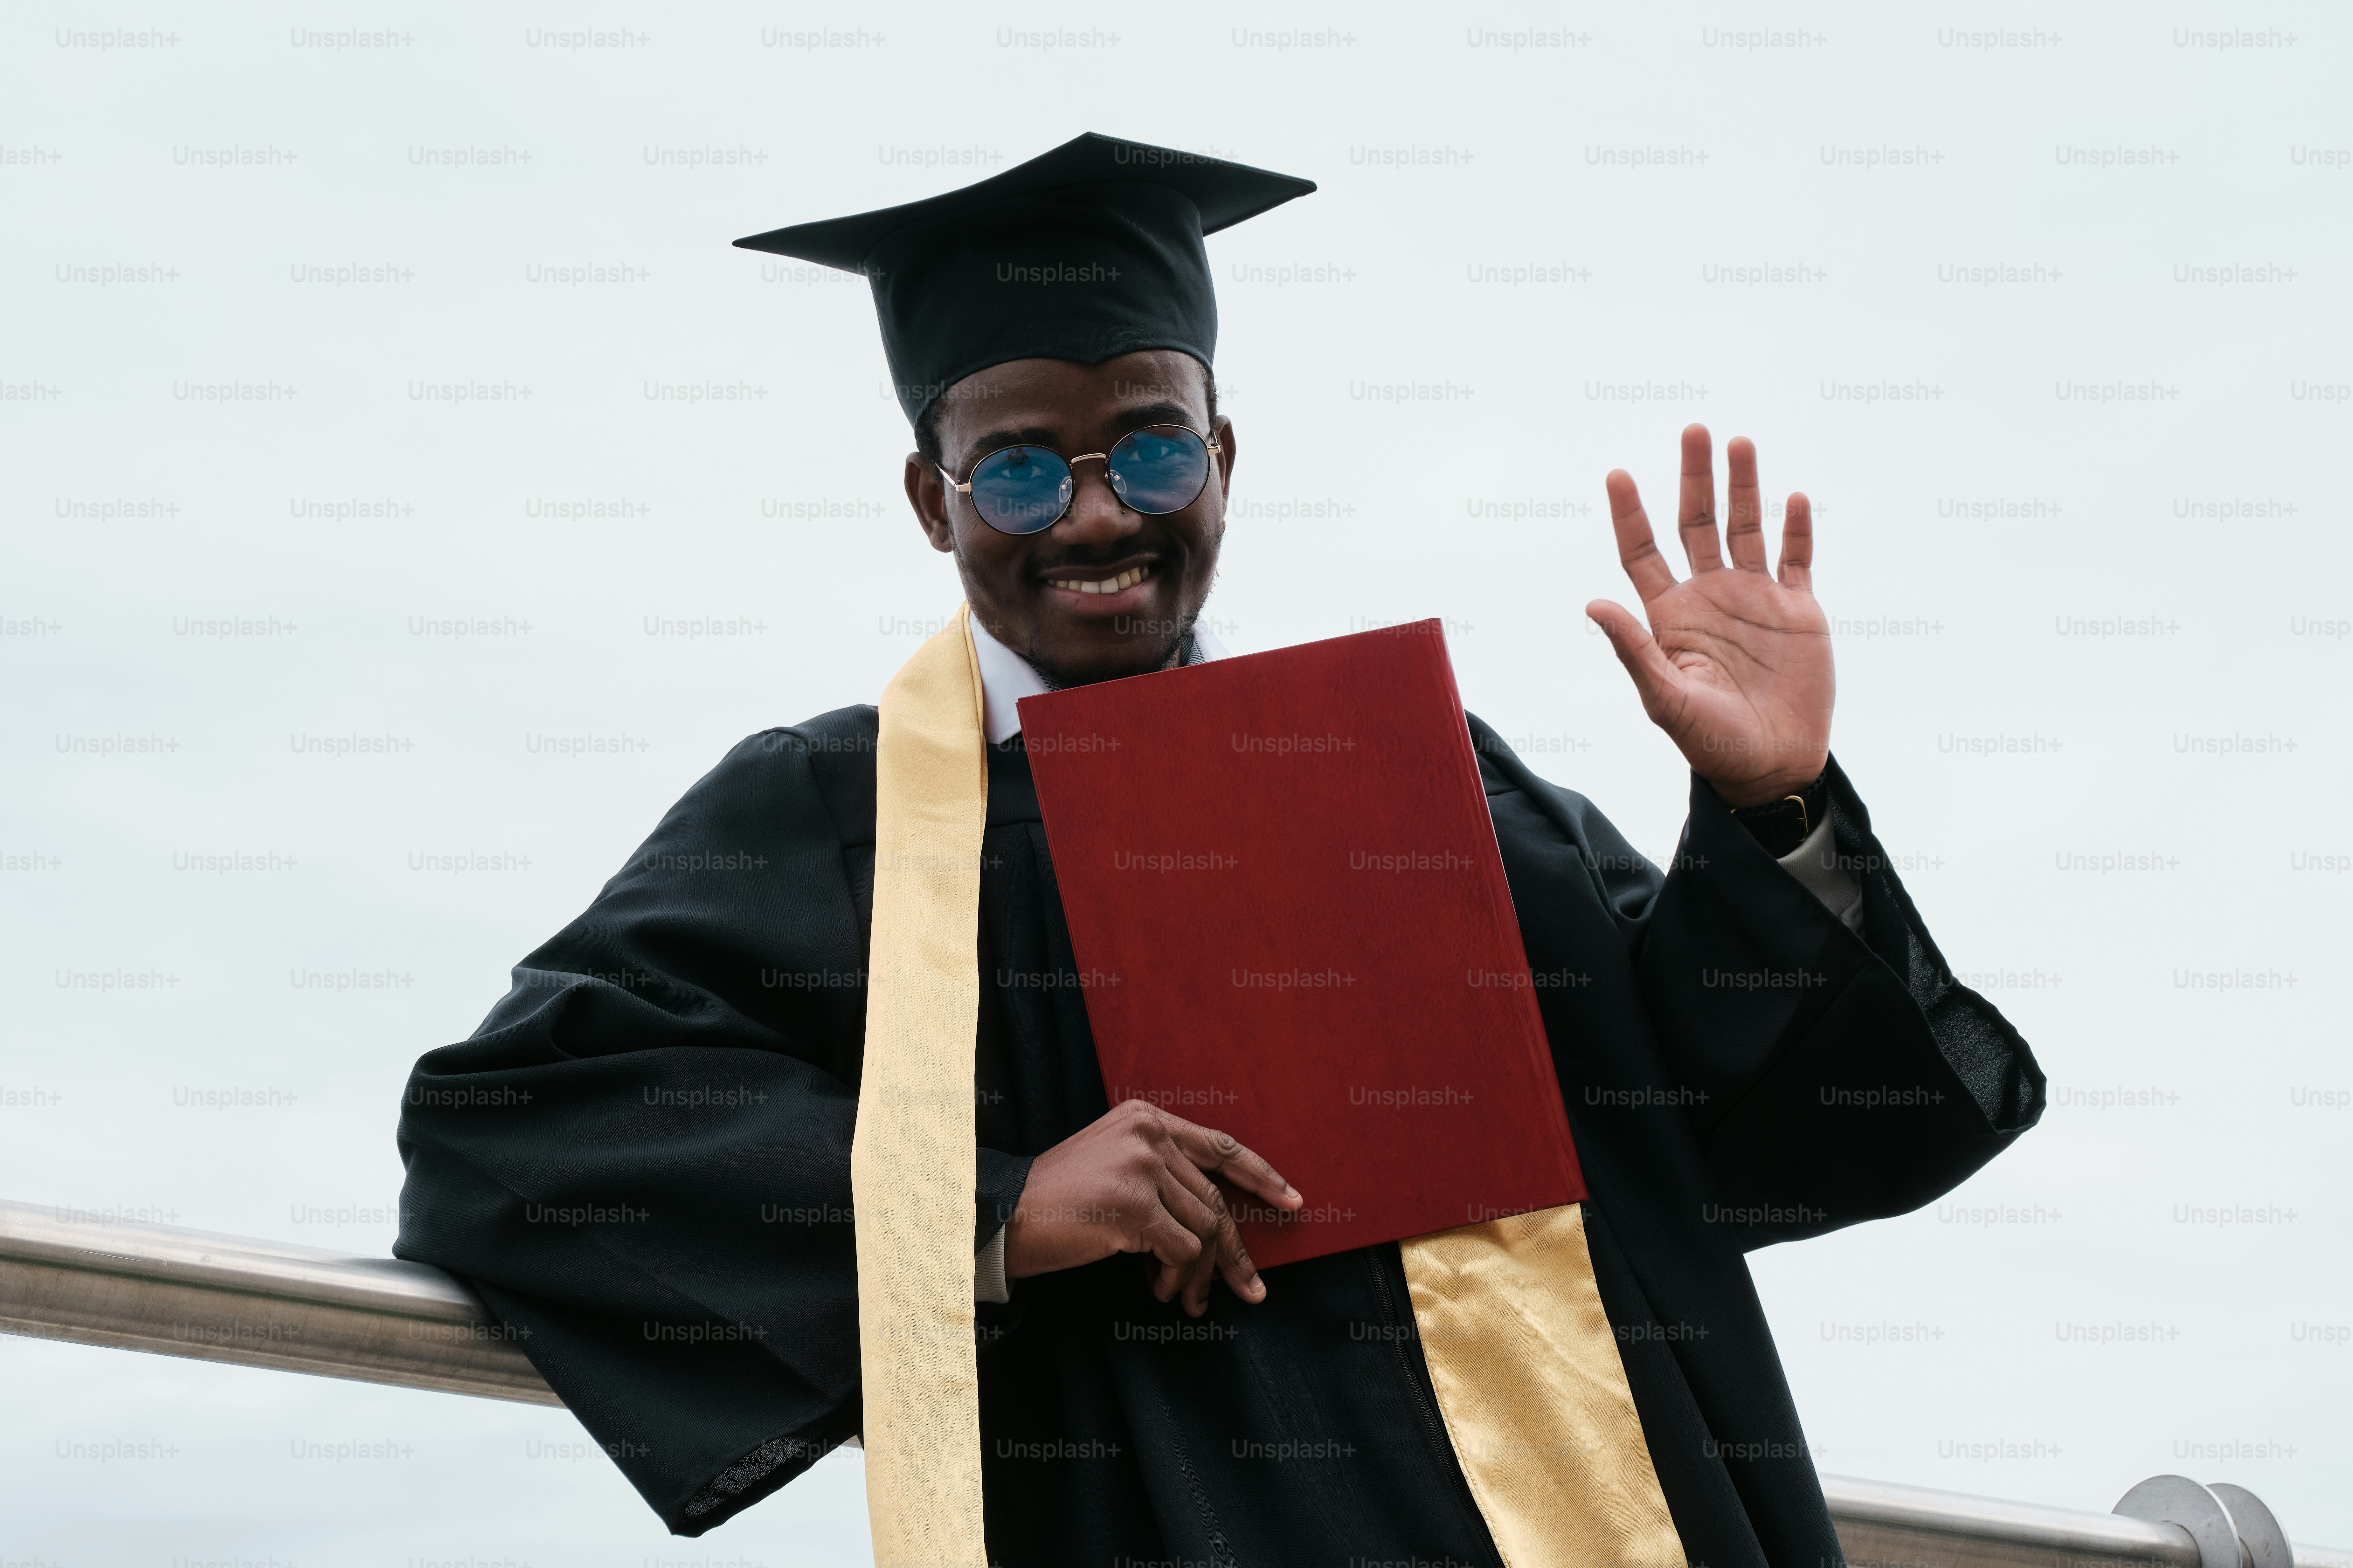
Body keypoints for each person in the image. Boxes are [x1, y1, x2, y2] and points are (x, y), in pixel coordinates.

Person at [394, 134, 2044, 1566]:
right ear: (931, 495)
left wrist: (1771, 810)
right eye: (1022, 466)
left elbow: (1717, 1109)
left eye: (1151, 443)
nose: (1099, 513)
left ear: (1224, 456)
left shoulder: (1422, 776)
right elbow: (520, 1141)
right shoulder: (840, 817)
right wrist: (992, 1203)